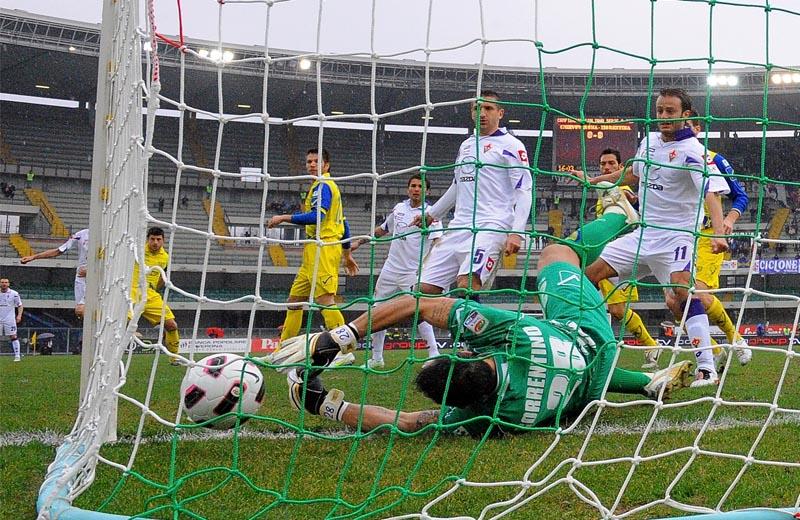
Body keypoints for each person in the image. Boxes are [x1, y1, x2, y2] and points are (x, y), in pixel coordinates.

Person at [274, 189, 693, 436]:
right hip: (584, 330)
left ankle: (643, 382)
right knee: (556, 252)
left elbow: (407, 423)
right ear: (465, 355)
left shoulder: (484, 416)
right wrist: (340, 336)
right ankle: (619, 212)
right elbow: (416, 303)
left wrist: (324, 407)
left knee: (577, 371)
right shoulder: (509, 333)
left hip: (583, 389)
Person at [575, 88, 731, 387]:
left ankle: (707, 369)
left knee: (681, 294)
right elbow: (632, 174)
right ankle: (591, 347)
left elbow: (710, 192)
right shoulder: (648, 142)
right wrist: (592, 181)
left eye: (670, 111)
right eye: (660, 110)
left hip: (677, 237)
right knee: (588, 277)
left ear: (686, 115)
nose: (663, 116)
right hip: (643, 234)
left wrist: (720, 232)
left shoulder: (694, 152)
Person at [413, 90, 532, 298]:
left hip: (491, 226)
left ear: (500, 113)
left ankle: (467, 330)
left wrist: (517, 232)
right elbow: (458, 185)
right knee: (421, 292)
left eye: (488, 108)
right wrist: (432, 215)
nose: (482, 113)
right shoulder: (466, 145)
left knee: (466, 286)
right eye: (477, 108)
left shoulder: (512, 145)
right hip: (459, 227)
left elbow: (524, 189)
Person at [663, 112, 752, 367]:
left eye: (687, 125)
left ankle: (736, 340)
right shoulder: (666, 158)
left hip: (705, 238)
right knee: (672, 301)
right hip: (676, 236)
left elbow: (741, 196)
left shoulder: (715, 160)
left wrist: (728, 221)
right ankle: (713, 350)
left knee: (697, 294)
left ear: (697, 129)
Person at [268, 148, 360, 365]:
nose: (311, 164)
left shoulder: (323, 186)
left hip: (324, 247)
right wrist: (347, 254)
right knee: (294, 301)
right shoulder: (323, 187)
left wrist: (284, 217)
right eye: (308, 161)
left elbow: (317, 217)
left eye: (316, 161)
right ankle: (284, 350)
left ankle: (345, 351)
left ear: (326, 165)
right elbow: (344, 224)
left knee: (325, 300)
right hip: (313, 250)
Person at [351, 174, 444, 369]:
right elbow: (382, 230)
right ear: (407, 188)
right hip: (390, 269)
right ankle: (377, 358)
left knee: (419, 310)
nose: (416, 189)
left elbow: (438, 242)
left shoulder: (431, 214)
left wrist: (426, 266)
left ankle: (434, 353)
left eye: (420, 186)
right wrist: (360, 241)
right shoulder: (399, 209)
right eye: (413, 185)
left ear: (427, 191)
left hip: (412, 271)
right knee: (377, 310)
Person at [590, 149, 660, 368]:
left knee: (617, 310)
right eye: (603, 164)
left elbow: (633, 204)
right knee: (605, 307)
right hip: (604, 255)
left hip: (620, 257)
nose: (607, 167)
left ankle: (650, 345)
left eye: (611, 163)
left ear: (620, 167)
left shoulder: (622, 188)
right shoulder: (604, 189)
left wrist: (634, 201)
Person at [131, 227, 181, 363]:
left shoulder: (165, 257)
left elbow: (161, 277)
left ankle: (174, 358)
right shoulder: (137, 250)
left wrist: (154, 289)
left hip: (150, 294)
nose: (155, 242)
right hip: (132, 290)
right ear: (147, 240)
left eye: (158, 239)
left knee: (171, 325)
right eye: (152, 239)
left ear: (163, 241)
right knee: (122, 321)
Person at [21, 228, 89, 319]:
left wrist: (91, 270)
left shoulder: (107, 236)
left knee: (93, 308)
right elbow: (59, 251)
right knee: (80, 311)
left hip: (97, 275)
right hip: (82, 276)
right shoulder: (81, 234)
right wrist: (34, 257)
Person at [0, 278, 23, 361]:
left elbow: (20, 305)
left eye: (6, 282)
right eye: (2, 282)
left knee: (13, 336)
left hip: (9, 319)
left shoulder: (14, 294)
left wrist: (19, 315)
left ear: (8, 284)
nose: (4, 284)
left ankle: (17, 356)